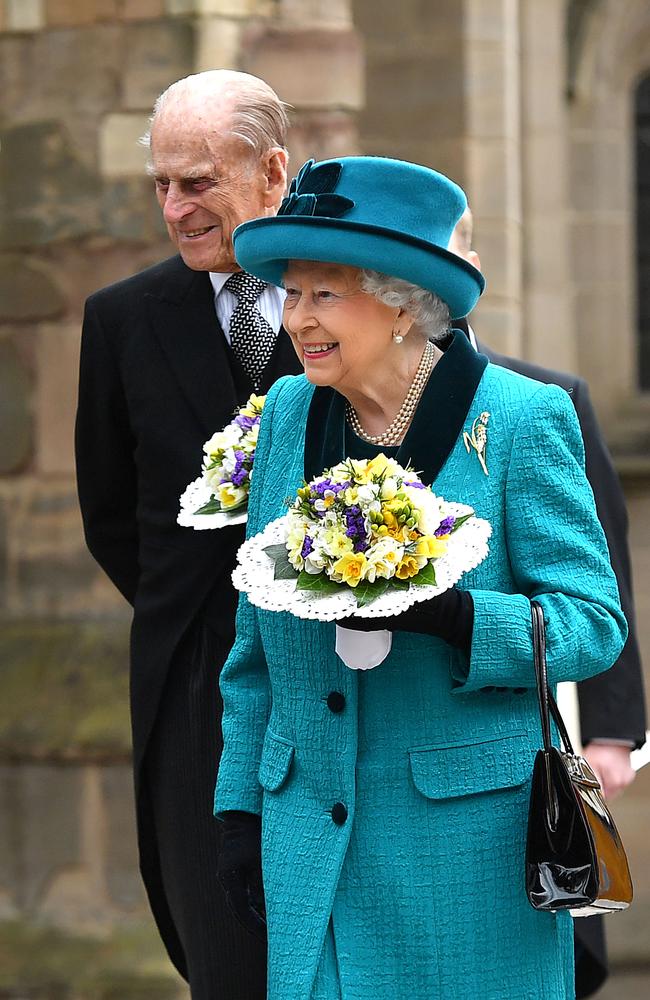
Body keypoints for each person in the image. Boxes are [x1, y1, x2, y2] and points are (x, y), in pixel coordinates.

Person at [213, 156, 628, 999]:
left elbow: (592, 622)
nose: (296, 319)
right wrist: (238, 810)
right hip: (309, 843)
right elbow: (252, 645)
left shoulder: (519, 419)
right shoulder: (287, 415)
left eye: (323, 294)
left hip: (468, 852)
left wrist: (460, 619)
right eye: (291, 294)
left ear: (402, 301)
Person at [75, 70, 302, 998]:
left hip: (358, 669)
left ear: (273, 173)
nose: (175, 208)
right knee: (227, 958)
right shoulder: (121, 321)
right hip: (196, 688)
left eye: (198, 181)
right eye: (161, 185)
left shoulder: (362, 299)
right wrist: (211, 614)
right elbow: (109, 516)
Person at [448, 209, 647, 998]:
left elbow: (604, 578)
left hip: (538, 701)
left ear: (470, 262)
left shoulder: (546, 399)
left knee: (563, 925)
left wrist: (612, 730)